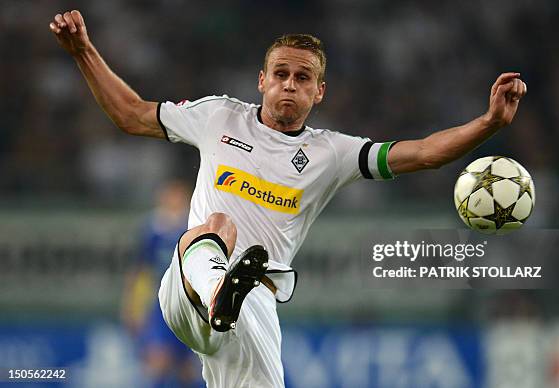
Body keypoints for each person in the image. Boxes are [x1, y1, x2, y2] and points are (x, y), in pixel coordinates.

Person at [50, 9, 527, 387]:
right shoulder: (218, 117)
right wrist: (83, 52)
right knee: (216, 226)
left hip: (253, 309)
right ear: (262, 80)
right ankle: (219, 289)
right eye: (280, 74)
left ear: (319, 92)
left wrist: (488, 123)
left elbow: (422, 153)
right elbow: (132, 115)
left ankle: (227, 297)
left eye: (302, 78)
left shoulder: (332, 152)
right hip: (186, 287)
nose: (289, 85)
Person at [121, 180, 200, 387]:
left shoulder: (194, 227)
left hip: (189, 305)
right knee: (158, 360)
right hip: (161, 304)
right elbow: (139, 269)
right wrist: (131, 306)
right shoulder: (152, 230)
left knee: (187, 370)